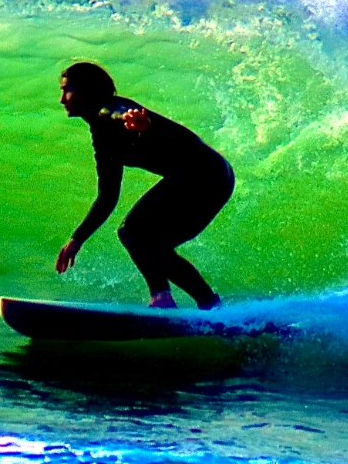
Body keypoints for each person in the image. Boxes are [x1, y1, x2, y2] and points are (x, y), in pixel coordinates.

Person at [53, 61, 233, 310]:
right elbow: (107, 197)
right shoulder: (103, 141)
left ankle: (161, 298)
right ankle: (211, 306)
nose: (62, 99)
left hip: (201, 174)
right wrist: (77, 239)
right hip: (216, 177)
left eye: (67, 90)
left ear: (88, 91)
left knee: (133, 231)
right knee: (155, 248)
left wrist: (138, 123)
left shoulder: (111, 110)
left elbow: (119, 111)